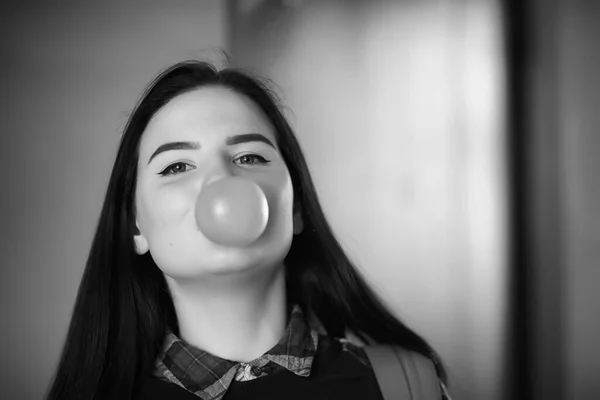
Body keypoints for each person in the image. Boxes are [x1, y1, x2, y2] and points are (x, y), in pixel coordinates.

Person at [45, 61, 450, 400]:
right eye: (177, 166)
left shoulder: (407, 385)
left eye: (250, 157)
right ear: (136, 227)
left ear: (295, 209)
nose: (221, 179)